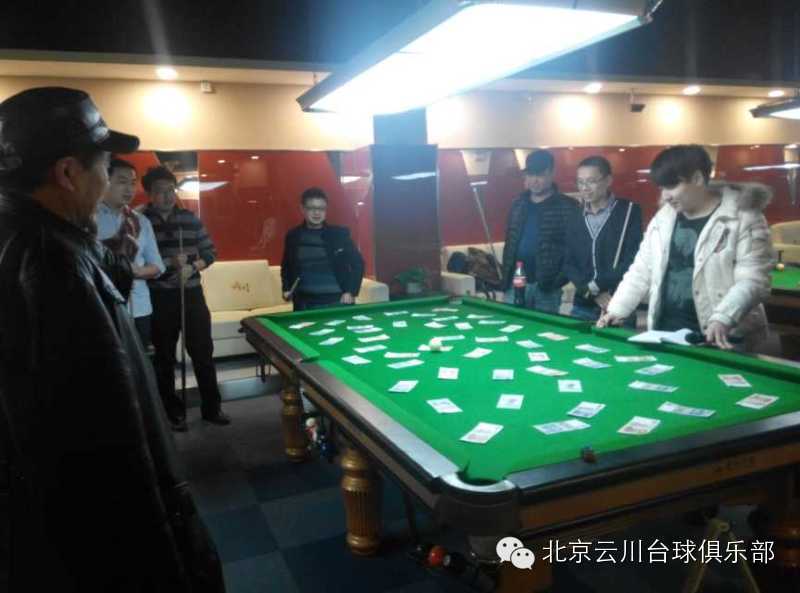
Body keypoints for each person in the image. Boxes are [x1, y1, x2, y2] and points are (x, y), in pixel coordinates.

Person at [0, 87, 224, 592]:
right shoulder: (49, 265)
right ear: (68, 173)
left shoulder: (43, 236)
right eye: (104, 168)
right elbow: (111, 442)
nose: (108, 184)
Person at [598, 145, 775, 350]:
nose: (665, 196)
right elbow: (641, 270)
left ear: (697, 178)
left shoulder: (743, 217)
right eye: (662, 188)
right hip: (664, 332)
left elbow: (753, 280)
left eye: (672, 186)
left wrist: (723, 317)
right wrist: (617, 310)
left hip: (722, 336)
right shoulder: (663, 218)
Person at [141, 166, 231, 430]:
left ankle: (212, 408)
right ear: (149, 194)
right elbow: (139, 262)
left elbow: (210, 252)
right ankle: (172, 412)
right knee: (164, 357)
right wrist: (170, 264)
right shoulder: (142, 221)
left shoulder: (189, 219)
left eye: (171, 190)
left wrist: (193, 267)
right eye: (160, 191)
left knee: (203, 352)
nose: (168, 196)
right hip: (160, 297)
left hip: (191, 294)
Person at [564, 156, 643, 325]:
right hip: (582, 306)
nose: (585, 188)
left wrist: (596, 285)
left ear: (608, 180)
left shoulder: (628, 211)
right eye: (580, 182)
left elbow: (633, 259)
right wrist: (592, 292)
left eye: (591, 181)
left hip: (618, 304)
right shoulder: (574, 215)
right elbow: (568, 262)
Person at [95, 158, 165, 347]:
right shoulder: (88, 218)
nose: (129, 189)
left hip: (139, 308)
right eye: (122, 182)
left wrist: (136, 271)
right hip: (103, 307)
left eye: (133, 183)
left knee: (141, 362)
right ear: (105, 181)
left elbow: (158, 266)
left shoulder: (141, 221)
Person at [501, 149, 578, 313]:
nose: (534, 181)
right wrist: (505, 277)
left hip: (546, 288)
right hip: (515, 281)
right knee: (510, 326)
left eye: (540, 175)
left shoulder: (568, 206)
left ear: (552, 173)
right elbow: (510, 242)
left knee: (544, 328)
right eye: (530, 175)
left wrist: (557, 281)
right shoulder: (518, 204)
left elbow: (575, 250)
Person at [281, 187, 365, 311]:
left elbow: (358, 263)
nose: (317, 213)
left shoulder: (339, 235)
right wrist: (286, 289)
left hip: (337, 301)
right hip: (304, 303)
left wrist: (350, 292)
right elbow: (286, 266)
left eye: (321, 208)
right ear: (302, 209)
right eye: (312, 208)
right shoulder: (293, 236)